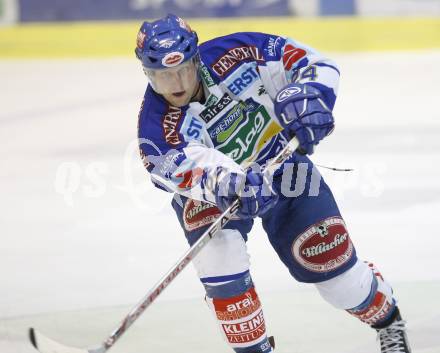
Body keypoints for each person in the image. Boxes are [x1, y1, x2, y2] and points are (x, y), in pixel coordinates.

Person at [135, 14, 411, 353]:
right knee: (221, 266)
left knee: (336, 275)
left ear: (196, 59)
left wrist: (310, 96)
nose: (175, 84)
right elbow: (182, 171)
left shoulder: (237, 53)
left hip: (283, 165)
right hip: (216, 194)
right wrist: (228, 183)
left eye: (182, 71)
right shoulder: (155, 131)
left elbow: (313, 61)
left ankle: (389, 320)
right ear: (147, 74)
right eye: (162, 77)